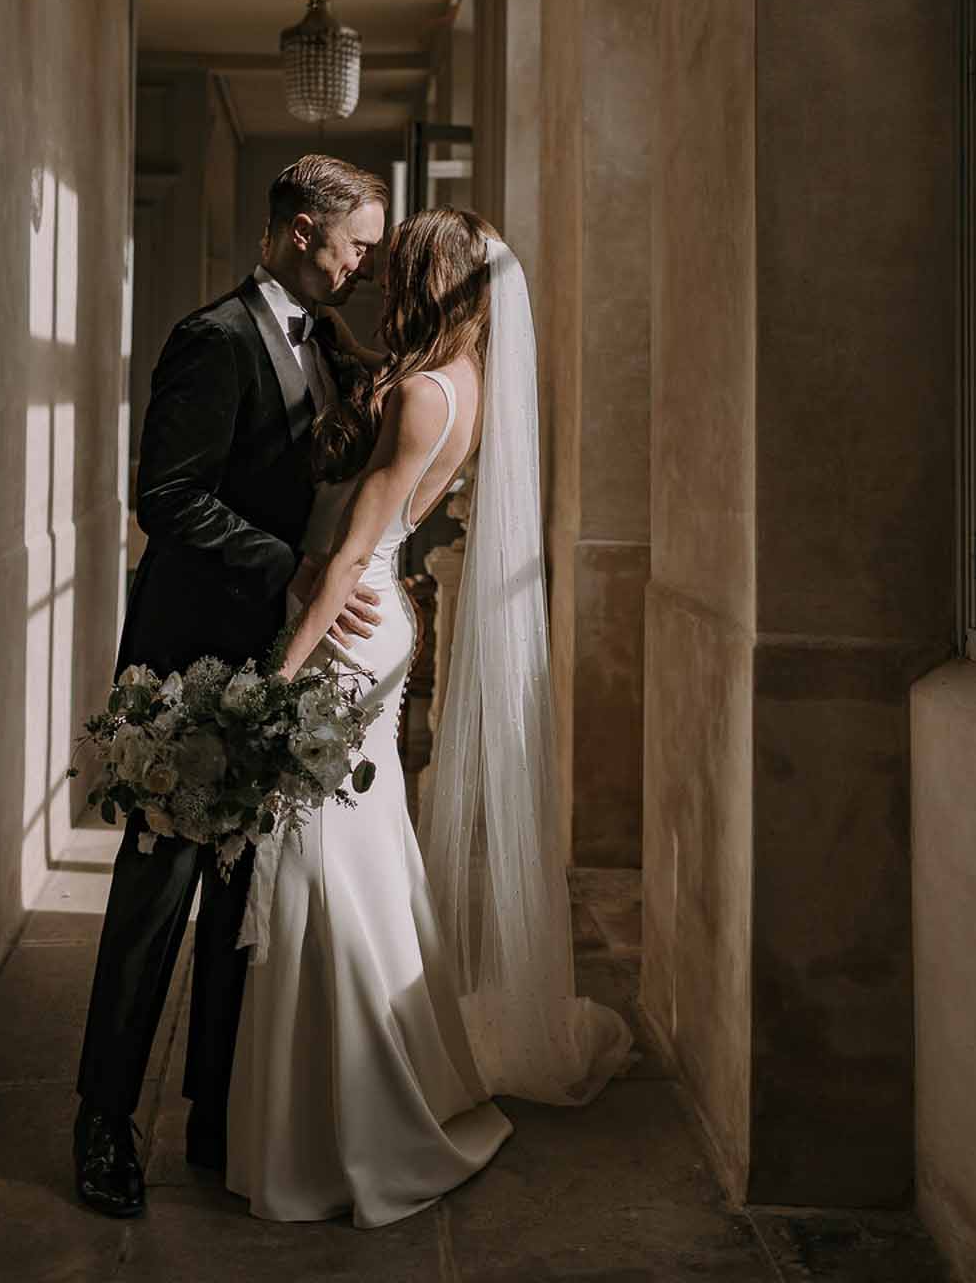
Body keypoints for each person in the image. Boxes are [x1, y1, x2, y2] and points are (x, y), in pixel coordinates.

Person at [226, 208, 632, 1227]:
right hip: (387, 617)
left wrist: (279, 675)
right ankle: (374, 1086)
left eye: (393, 265)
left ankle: (358, 1124)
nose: (375, 279)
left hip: (352, 630)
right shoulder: (468, 386)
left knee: (323, 865)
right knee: (363, 852)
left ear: (424, 279)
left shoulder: (416, 394)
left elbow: (357, 544)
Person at [73, 153, 389, 1218]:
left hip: (275, 666)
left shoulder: (326, 346)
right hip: (185, 662)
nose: (364, 263)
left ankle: (213, 1111)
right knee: (155, 898)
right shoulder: (213, 339)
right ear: (302, 229)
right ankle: (105, 1122)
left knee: (240, 901)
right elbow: (166, 494)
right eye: (354, 243)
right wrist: (290, 567)